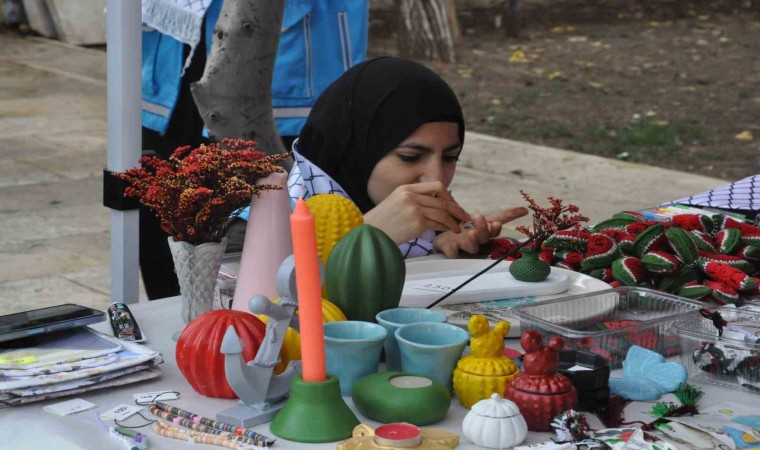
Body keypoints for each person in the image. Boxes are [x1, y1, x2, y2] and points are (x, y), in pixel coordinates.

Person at [139, 0, 369, 298]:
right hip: (176, 49)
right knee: (164, 207)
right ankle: (179, 312)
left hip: (285, 63)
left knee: (274, 225)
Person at [288, 57, 528, 258]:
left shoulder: (434, 227)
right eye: (410, 157)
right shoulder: (275, 220)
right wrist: (366, 236)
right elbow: (285, 295)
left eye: (450, 157)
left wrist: (443, 245)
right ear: (354, 155)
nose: (436, 179)